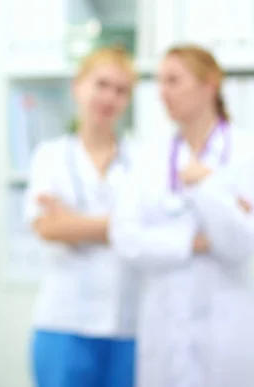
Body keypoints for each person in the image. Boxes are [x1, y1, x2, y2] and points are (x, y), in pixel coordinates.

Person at [109, 44, 254, 387]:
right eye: (160, 82)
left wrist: (207, 186)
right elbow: (124, 238)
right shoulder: (149, 156)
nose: (162, 92)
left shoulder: (247, 152)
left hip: (229, 325)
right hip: (164, 324)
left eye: (174, 81)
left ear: (211, 84)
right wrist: (192, 242)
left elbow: (241, 245)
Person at [24, 46, 138, 387]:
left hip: (128, 324)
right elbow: (48, 227)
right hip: (63, 322)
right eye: (101, 84)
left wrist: (75, 223)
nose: (109, 97)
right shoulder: (50, 156)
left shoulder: (143, 160)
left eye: (121, 90)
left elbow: (152, 231)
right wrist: (122, 225)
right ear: (78, 86)